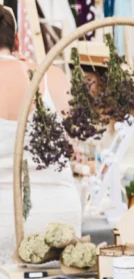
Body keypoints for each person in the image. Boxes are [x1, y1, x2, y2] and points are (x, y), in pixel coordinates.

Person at [0, 7, 81, 262]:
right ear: (16, 40)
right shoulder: (51, 75)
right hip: (59, 213)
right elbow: (76, 138)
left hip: (5, 215)